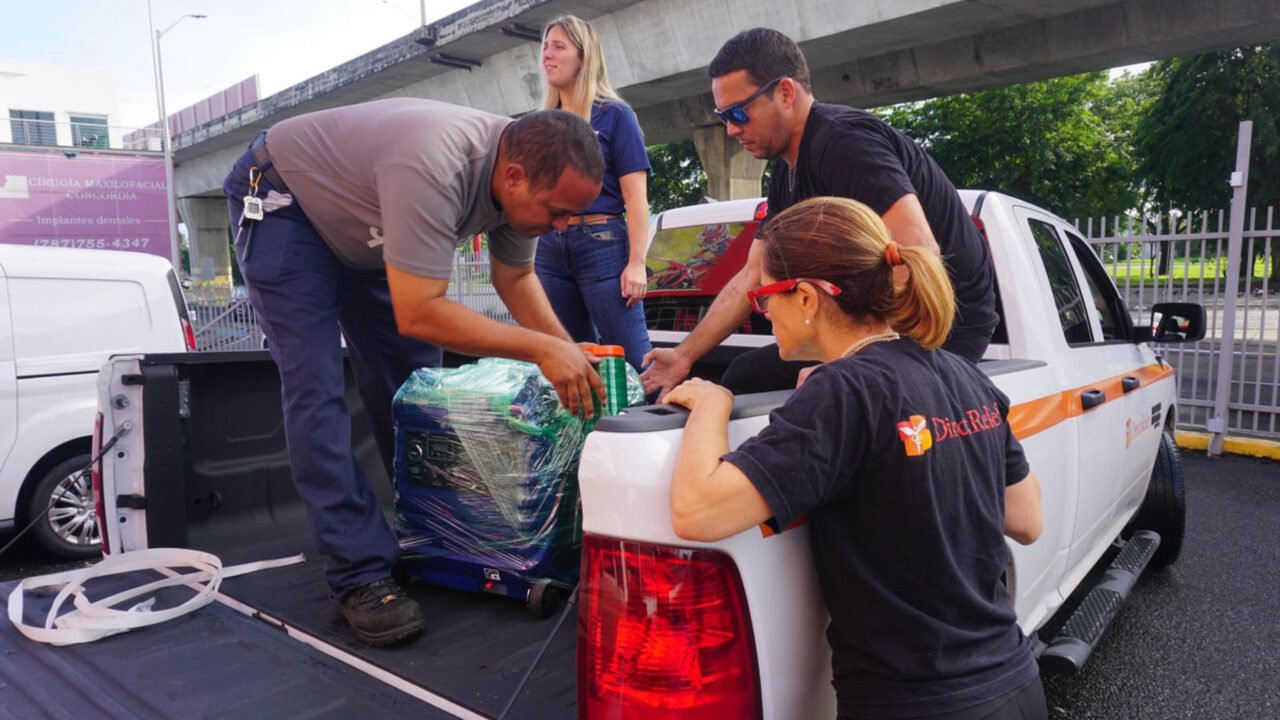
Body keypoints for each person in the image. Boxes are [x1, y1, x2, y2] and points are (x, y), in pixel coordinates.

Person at [222, 99, 607, 647]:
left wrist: (568, 354)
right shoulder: (435, 166)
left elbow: (516, 279)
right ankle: (359, 573)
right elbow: (420, 312)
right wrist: (543, 351)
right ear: (515, 177)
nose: (563, 227)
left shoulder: (522, 170)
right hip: (286, 204)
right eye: (558, 213)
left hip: (364, 225)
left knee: (415, 389)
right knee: (317, 389)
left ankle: (435, 538)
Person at [664, 196, 1045, 720]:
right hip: (1015, 683)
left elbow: (698, 512)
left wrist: (712, 403)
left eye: (764, 297)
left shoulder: (844, 392)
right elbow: (1027, 520)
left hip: (913, 704)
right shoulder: (963, 375)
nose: (763, 313)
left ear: (806, 297)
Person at [642, 27, 999, 397]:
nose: (731, 129)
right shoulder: (786, 174)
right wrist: (684, 355)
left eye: (738, 113)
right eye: (723, 117)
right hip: (866, 326)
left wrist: (855, 359)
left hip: (943, 324)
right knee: (746, 375)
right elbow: (752, 273)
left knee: (836, 397)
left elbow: (920, 250)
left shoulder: (846, 143)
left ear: (785, 93)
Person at [534, 15, 654, 372]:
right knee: (568, 361)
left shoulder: (615, 115)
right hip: (549, 250)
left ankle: (659, 410)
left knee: (634, 360)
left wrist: (636, 263)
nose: (547, 55)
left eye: (558, 47)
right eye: (545, 47)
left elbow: (636, 198)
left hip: (602, 245)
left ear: (583, 57)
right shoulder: (543, 123)